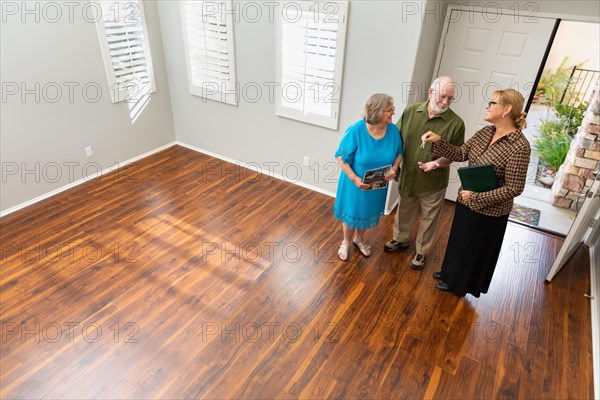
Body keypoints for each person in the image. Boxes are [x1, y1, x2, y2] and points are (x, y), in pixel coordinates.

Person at [420, 88, 531, 297]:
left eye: (493, 103)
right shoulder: (485, 132)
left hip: (490, 211)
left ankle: (458, 284)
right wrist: (438, 141)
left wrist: (478, 197)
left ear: (507, 109)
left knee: (472, 249)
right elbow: (462, 153)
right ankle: (449, 273)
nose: (487, 106)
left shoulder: (519, 146)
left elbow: (515, 187)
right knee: (459, 241)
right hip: (466, 200)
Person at [384, 77, 465, 271]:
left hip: (434, 180)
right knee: (404, 209)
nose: (445, 102)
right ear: (430, 92)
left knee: (430, 217)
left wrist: (437, 163)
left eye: (450, 98)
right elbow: (398, 141)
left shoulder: (456, 123)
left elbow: (455, 154)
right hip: (408, 175)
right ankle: (400, 239)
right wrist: (395, 167)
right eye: (442, 96)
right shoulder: (411, 111)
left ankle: (421, 251)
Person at [333, 93, 404, 261]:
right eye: (390, 110)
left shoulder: (393, 130)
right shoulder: (357, 130)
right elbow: (341, 157)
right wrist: (355, 180)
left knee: (366, 212)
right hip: (354, 183)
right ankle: (346, 241)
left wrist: (394, 169)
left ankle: (359, 239)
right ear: (377, 112)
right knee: (352, 212)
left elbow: (399, 153)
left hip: (377, 185)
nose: (393, 113)